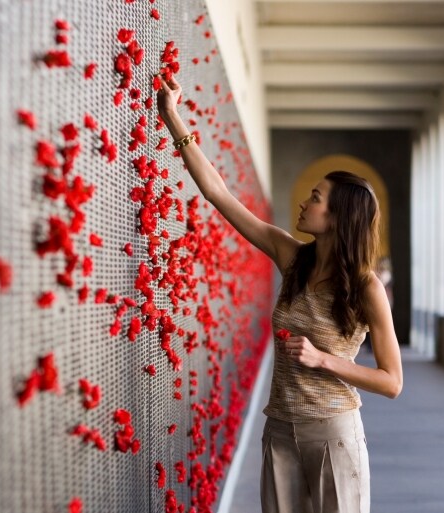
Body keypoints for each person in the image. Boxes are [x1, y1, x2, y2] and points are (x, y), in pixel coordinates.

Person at [157, 75, 403, 513]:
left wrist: (323, 359)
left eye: (316, 198)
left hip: (334, 435)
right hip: (279, 433)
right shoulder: (291, 257)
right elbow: (218, 193)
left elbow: (392, 382)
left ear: (338, 217)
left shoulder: (366, 287)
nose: (305, 203)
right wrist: (171, 116)